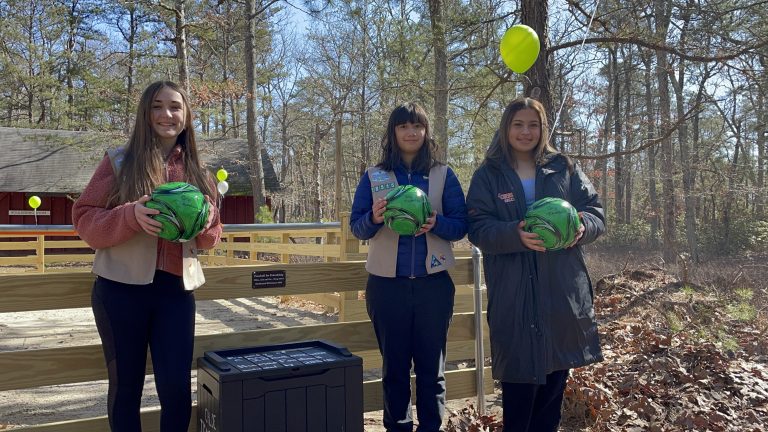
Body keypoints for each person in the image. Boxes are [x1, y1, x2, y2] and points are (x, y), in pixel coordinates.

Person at [73, 81, 222, 432]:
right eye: (157, 106)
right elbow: (84, 219)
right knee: (126, 390)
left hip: (176, 294)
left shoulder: (201, 174)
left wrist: (205, 222)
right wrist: (129, 216)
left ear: (186, 116)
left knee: (176, 392)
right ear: (145, 112)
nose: (166, 115)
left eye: (175, 107)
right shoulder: (118, 162)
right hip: (120, 291)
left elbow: (211, 239)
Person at [465, 97, 605, 431]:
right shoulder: (489, 174)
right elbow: (476, 227)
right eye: (518, 124)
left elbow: (596, 212)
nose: (525, 132)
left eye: (533, 125)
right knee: (519, 394)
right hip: (514, 297)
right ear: (506, 128)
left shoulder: (564, 167)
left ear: (542, 129)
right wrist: (515, 235)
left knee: (551, 395)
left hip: (560, 295)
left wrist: (583, 226)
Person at [350, 102, 468, 432]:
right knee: (395, 369)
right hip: (387, 286)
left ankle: (432, 426)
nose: (411, 132)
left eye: (417, 126)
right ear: (393, 132)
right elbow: (356, 227)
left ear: (427, 131)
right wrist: (373, 218)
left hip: (434, 285)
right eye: (404, 126)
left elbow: (461, 226)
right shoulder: (375, 176)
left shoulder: (444, 174)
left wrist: (436, 223)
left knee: (433, 369)